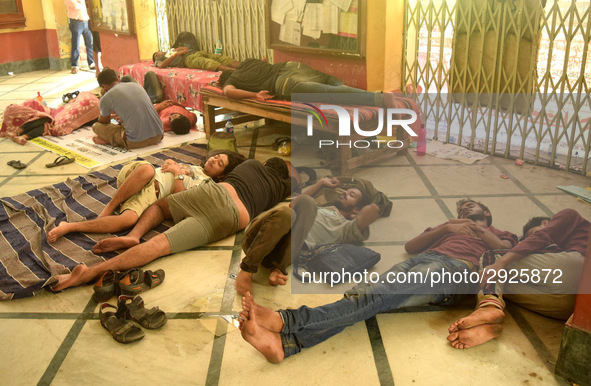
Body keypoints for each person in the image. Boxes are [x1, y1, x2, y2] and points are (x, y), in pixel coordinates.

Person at [236, 199, 518, 363]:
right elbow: (411, 246)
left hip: (453, 271)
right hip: (421, 260)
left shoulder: (501, 232)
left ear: (487, 214)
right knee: (364, 297)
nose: (466, 210)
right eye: (463, 208)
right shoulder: (449, 227)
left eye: (472, 207)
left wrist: (477, 230)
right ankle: (286, 345)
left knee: (372, 297)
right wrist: (447, 226)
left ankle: (287, 321)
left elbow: (504, 250)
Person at [51, 158, 292, 292]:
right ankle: (90, 274)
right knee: (159, 246)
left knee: (160, 206)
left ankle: (134, 236)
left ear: (264, 164)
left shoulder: (250, 164)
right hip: (235, 219)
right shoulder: (281, 188)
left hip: (217, 194)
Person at [447, 208, 589, 349]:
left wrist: (500, 263)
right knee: (497, 280)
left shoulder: (570, 215)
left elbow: (541, 238)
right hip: (570, 308)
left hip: (579, 266)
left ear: (545, 222)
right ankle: (486, 325)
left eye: (532, 234)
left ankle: (488, 306)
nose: (530, 245)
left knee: (493, 258)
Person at [47, 151, 245, 243]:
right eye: (216, 156)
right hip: (138, 176)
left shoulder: (206, 185)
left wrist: (177, 173)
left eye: (219, 163)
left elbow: (178, 198)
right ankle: (110, 206)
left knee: (129, 220)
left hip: (152, 193)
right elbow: (165, 165)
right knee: (148, 170)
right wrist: (172, 164)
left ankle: (70, 227)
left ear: (221, 175)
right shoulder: (194, 167)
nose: (213, 159)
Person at [236, 176, 380, 295]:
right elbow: (294, 204)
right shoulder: (318, 207)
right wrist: (322, 183)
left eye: (351, 195)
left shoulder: (345, 228)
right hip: (259, 239)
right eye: (346, 191)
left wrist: (372, 209)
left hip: (279, 256)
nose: (344, 193)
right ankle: (247, 269)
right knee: (290, 212)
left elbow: (365, 218)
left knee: (300, 207)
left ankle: (277, 269)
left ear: (355, 211)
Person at [218, 58, 402, 108]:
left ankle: (379, 98)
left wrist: (255, 94)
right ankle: (374, 96)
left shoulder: (232, 80)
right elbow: (265, 60)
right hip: (295, 66)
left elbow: (228, 92)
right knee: (332, 84)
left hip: (285, 82)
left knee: (329, 92)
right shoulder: (247, 62)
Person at [92, 69, 164, 149]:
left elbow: (104, 122)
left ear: (104, 86)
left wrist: (103, 96)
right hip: (159, 135)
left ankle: (111, 140)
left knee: (96, 126)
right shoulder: (136, 85)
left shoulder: (105, 98)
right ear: (117, 79)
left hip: (136, 141)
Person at [152, 47, 240, 72]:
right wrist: (175, 55)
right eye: (156, 54)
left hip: (195, 52)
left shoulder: (170, 50)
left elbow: (186, 48)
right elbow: (161, 65)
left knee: (222, 58)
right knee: (210, 63)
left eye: (158, 52)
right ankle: (235, 71)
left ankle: (245, 66)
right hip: (188, 59)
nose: (158, 53)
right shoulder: (159, 59)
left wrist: (177, 49)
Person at [65, 0, 94, 74]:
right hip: (76, 22)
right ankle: (74, 65)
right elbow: (75, 6)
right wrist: (82, 2)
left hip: (86, 22)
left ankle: (91, 63)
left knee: (90, 43)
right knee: (75, 44)